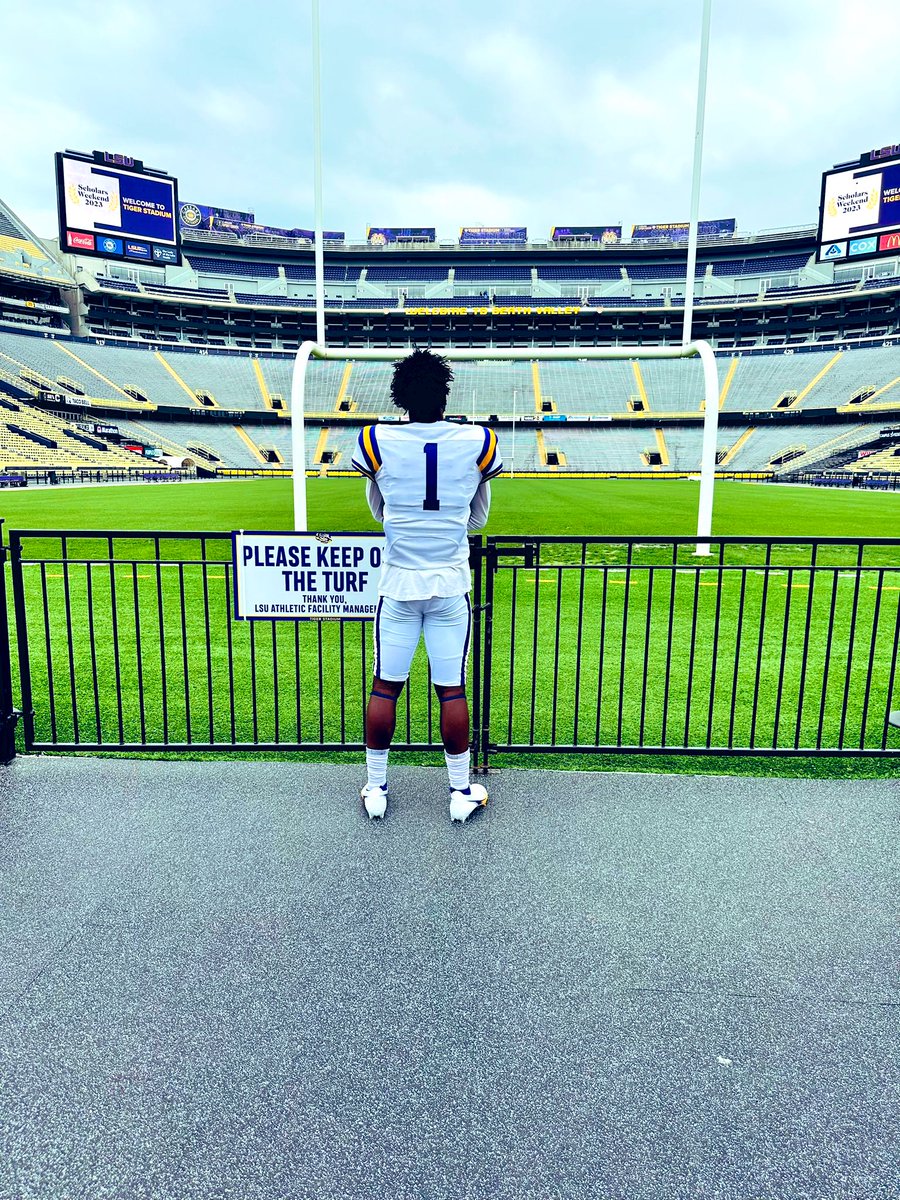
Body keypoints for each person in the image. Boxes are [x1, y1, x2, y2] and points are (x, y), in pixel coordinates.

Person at [351, 349, 502, 822]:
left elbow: (379, 509)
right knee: (451, 690)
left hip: (398, 585)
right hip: (450, 584)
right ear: (444, 394)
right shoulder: (478, 440)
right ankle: (460, 792)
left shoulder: (376, 440)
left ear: (401, 398)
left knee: (385, 686)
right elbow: (478, 517)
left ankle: (376, 787)